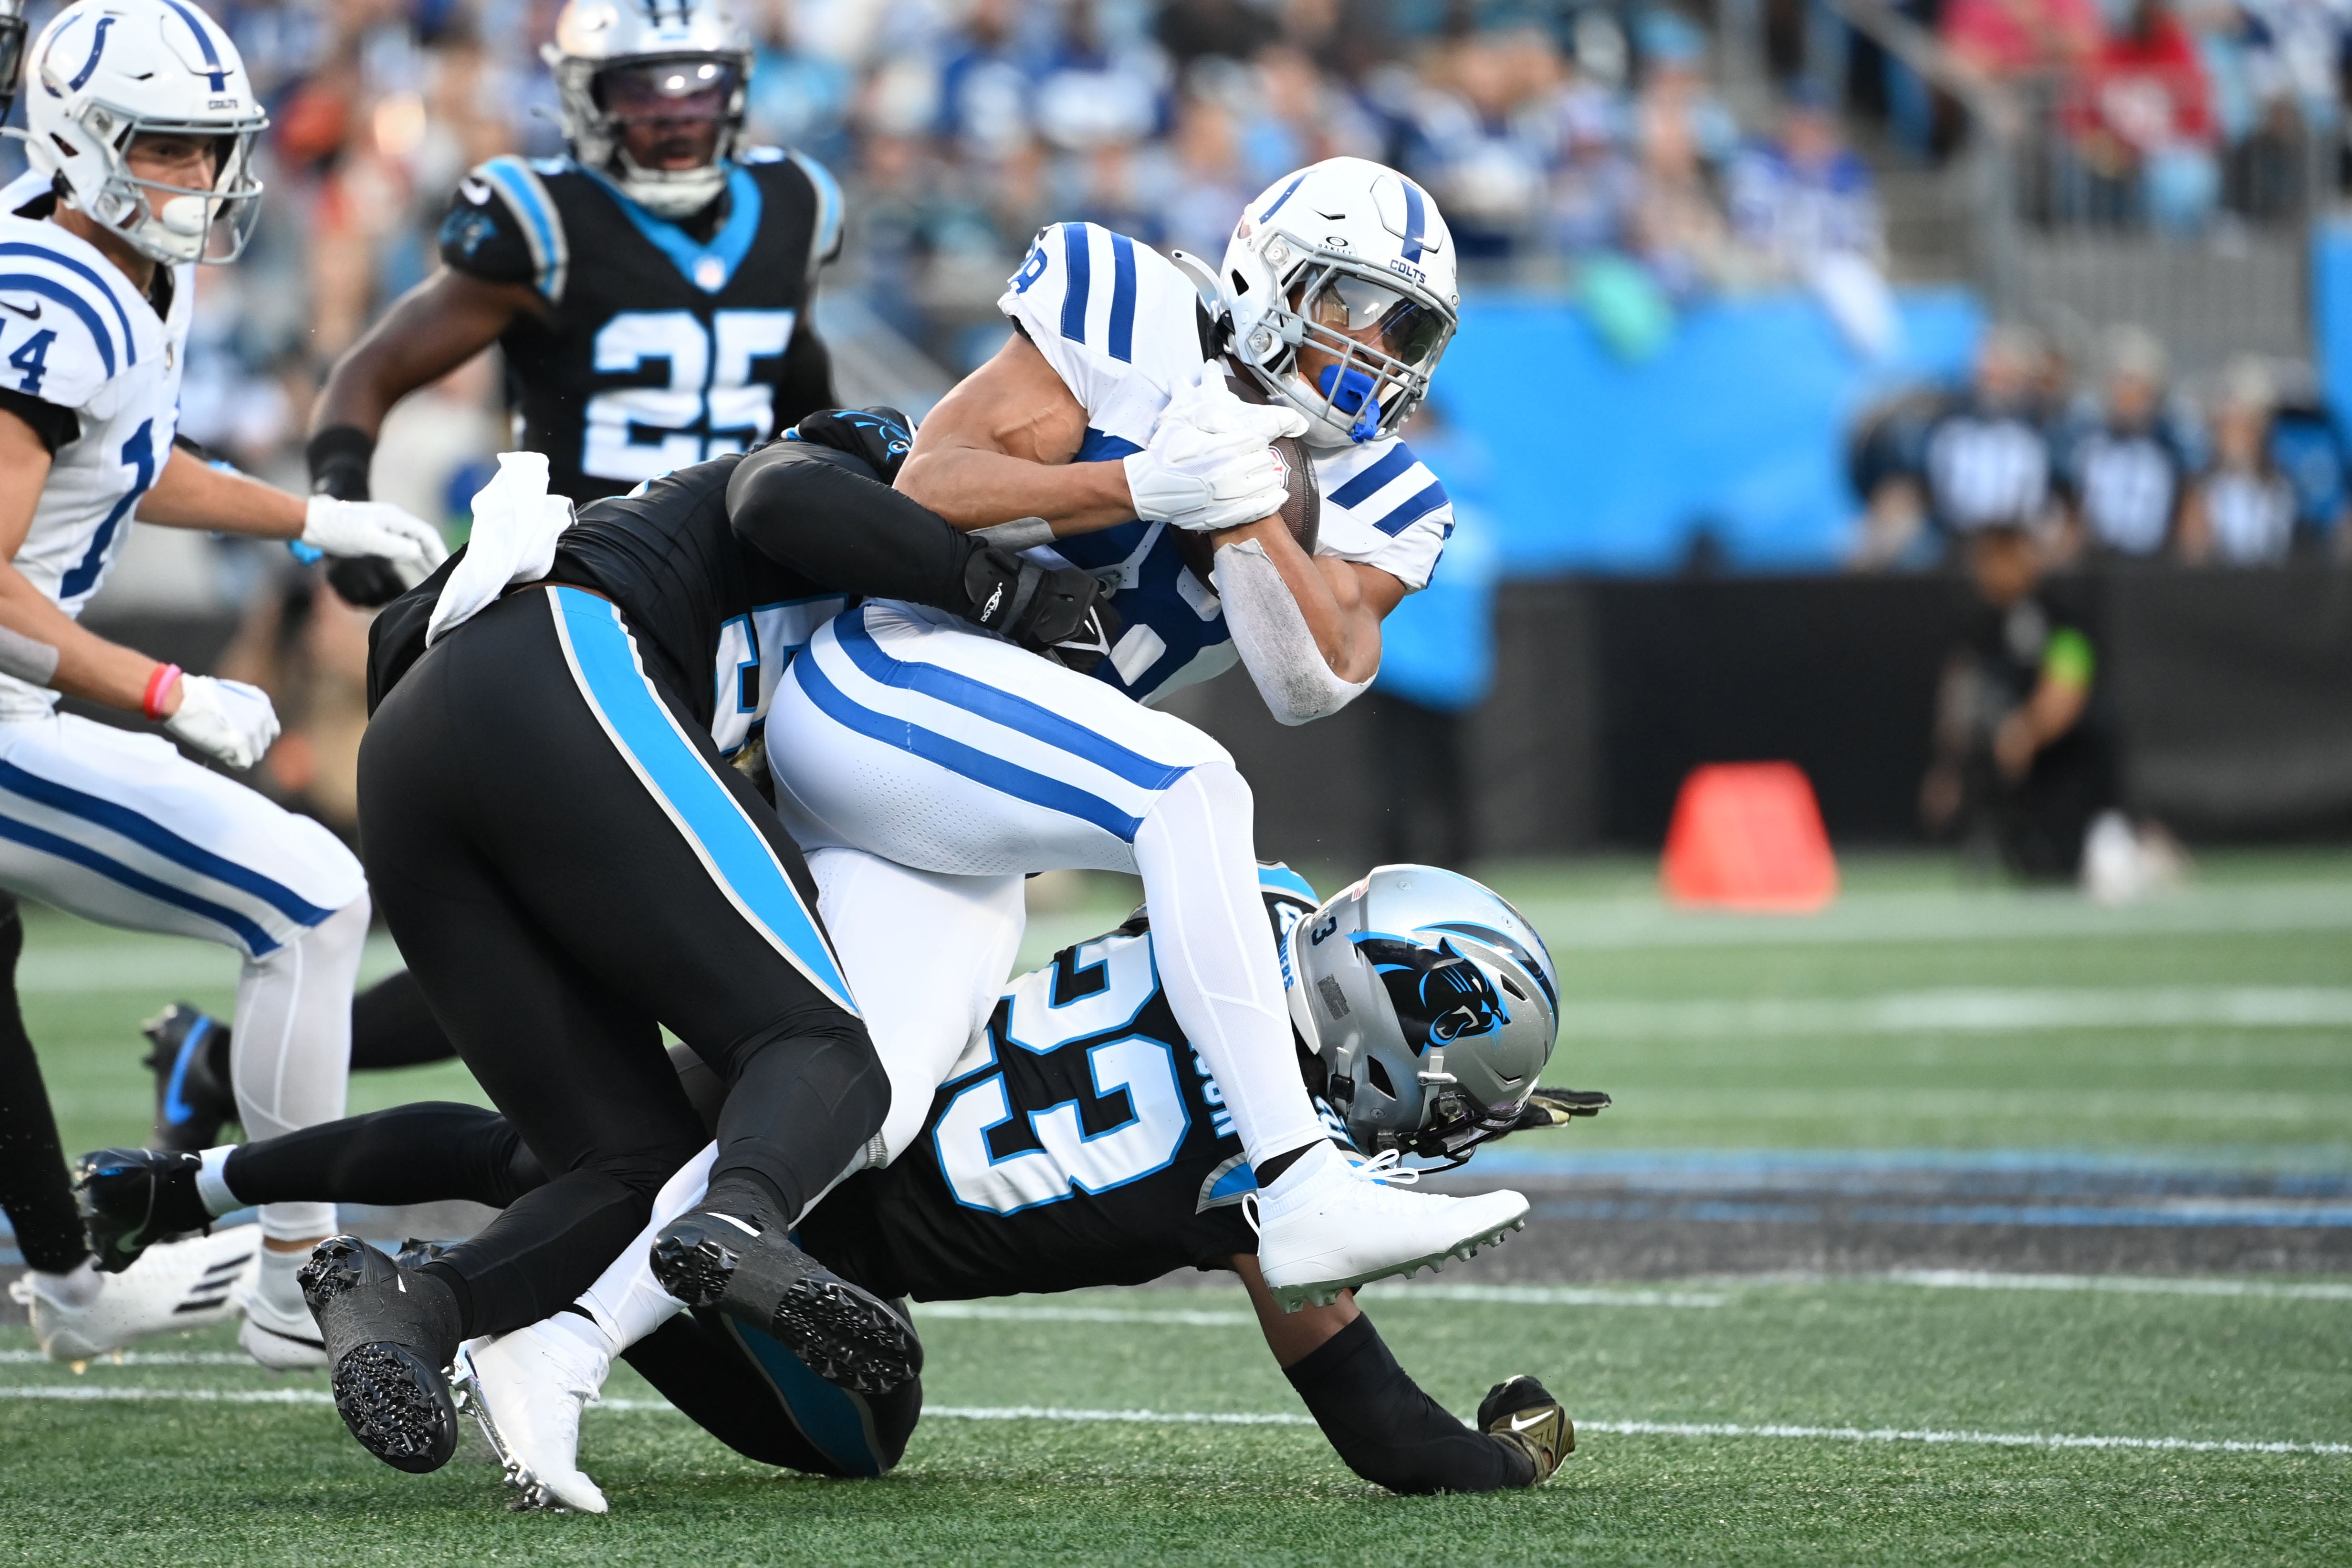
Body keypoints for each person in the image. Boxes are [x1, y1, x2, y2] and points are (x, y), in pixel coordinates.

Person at [81, 864, 1599, 1509]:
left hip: (811, 1071)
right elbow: (1383, 1431)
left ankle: (189, 1181)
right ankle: (464, 1298)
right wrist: (1506, 1457)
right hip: (804, 1235)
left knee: (528, 1156)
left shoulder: (1230, 910)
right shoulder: (1270, 1181)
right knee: (871, 1427)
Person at [760, 157, 1531, 1317]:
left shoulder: (1390, 492)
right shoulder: (1129, 308)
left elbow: (1313, 678)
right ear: (1269, 281)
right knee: (1189, 787)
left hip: (984, 808)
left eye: (1403, 326)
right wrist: (1140, 480)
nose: (1373, 348)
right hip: (889, 686)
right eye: (1346, 306)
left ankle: (553, 1329)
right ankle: (1301, 1174)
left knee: (871, 1100)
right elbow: (925, 486)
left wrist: (1242, 501)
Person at [291, 411, 1111, 1475]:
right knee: (821, 1043)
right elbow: (779, 494)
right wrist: (996, 589)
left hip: (414, 754)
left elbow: (400, 635)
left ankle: (416, 1299)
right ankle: (739, 1221)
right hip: (568, 663)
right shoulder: (827, 477)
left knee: (629, 1165)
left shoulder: (628, 538)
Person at [0, 0, 447, 1369]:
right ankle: (298, 1273)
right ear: (78, 142)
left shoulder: (122, 259)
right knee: (313, 896)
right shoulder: (52, 290)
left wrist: (313, 520)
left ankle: (94, 1275)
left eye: (214, 149)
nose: (199, 178)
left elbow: (135, 461)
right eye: (166, 148)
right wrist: (158, 688)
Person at [304, 0, 844, 606]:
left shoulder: (793, 203)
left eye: (700, 90)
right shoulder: (544, 220)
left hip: (747, 565)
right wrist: (341, 495)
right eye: (643, 93)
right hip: (586, 575)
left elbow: (793, 372)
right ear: (585, 96)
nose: (678, 120)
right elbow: (373, 369)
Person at [1920, 522, 2117, 878]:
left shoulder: (2060, 616)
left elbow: (2067, 687)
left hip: (2066, 764)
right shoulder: (1980, 624)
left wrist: (2027, 732)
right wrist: (1948, 768)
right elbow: (1958, 691)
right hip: (2005, 771)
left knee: (2075, 864)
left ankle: (2133, 842)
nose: (1983, 573)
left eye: (1992, 561)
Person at [2053, 324, 2202, 558]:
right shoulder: (2089, 442)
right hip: (2098, 561)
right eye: (2121, 384)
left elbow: (2188, 507)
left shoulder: (2170, 446)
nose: (2127, 396)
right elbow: (2074, 508)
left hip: (2156, 561)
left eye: (2135, 386)